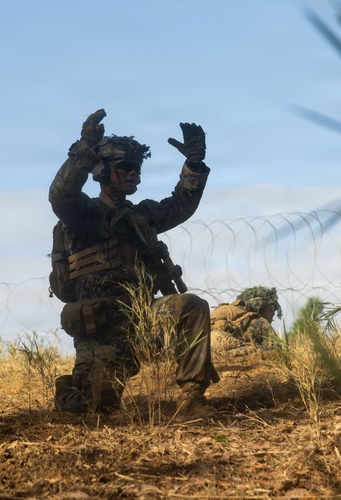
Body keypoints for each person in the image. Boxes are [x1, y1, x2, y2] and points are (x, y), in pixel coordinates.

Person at [49, 109, 219, 417]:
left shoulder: (142, 216)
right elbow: (60, 196)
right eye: (126, 167)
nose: (134, 173)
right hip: (102, 328)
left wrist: (193, 164)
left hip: (144, 318)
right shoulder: (83, 215)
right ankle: (68, 391)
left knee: (191, 305)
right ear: (101, 171)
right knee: (97, 409)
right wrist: (85, 146)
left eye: (137, 168)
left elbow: (181, 204)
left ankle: (192, 396)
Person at [210, 286, 281, 353]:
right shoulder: (261, 322)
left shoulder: (233, 315)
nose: (273, 314)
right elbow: (278, 352)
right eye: (272, 310)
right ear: (262, 307)